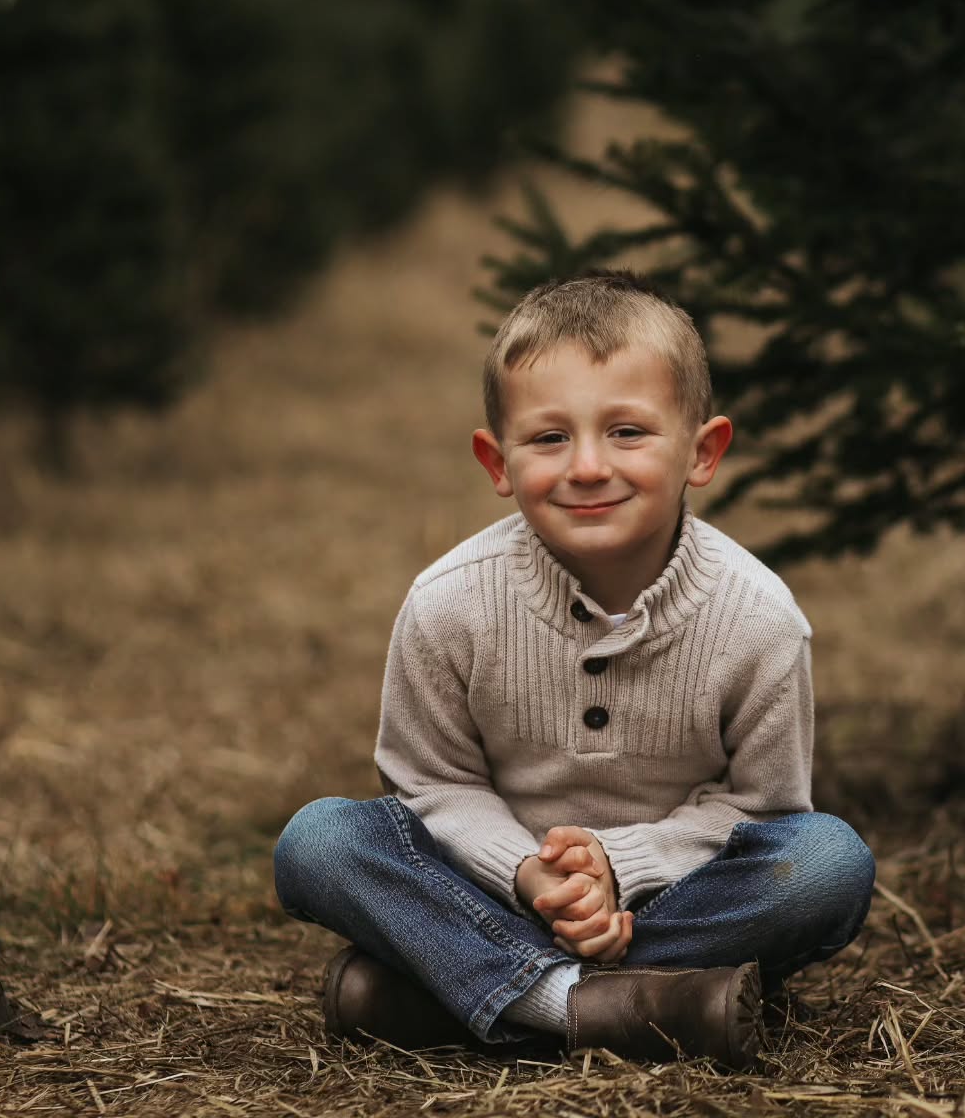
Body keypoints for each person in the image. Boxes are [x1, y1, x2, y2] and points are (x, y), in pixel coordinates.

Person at [273, 271, 874, 1067]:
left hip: (673, 901)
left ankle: (456, 991)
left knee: (827, 864)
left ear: (703, 451)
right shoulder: (449, 604)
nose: (588, 466)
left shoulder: (757, 618)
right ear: (498, 462)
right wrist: (530, 876)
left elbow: (762, 811)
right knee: (318, 841)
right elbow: (430, 786)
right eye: (549, 438)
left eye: (628, 432)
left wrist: (619, 874)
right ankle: (598, 1006)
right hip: (490, 892)